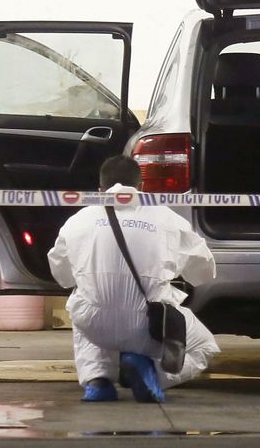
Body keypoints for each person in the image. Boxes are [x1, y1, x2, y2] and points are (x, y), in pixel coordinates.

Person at [47, 155, 218, 403]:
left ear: (99, 190)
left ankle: (98, 382)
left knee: (83, 300)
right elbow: (203, 271)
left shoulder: (77, 221)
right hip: (149, 326)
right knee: (205, 347)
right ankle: (151, 374)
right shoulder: (166, 218)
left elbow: (61, 276)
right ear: (141, 188)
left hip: (96, 325)